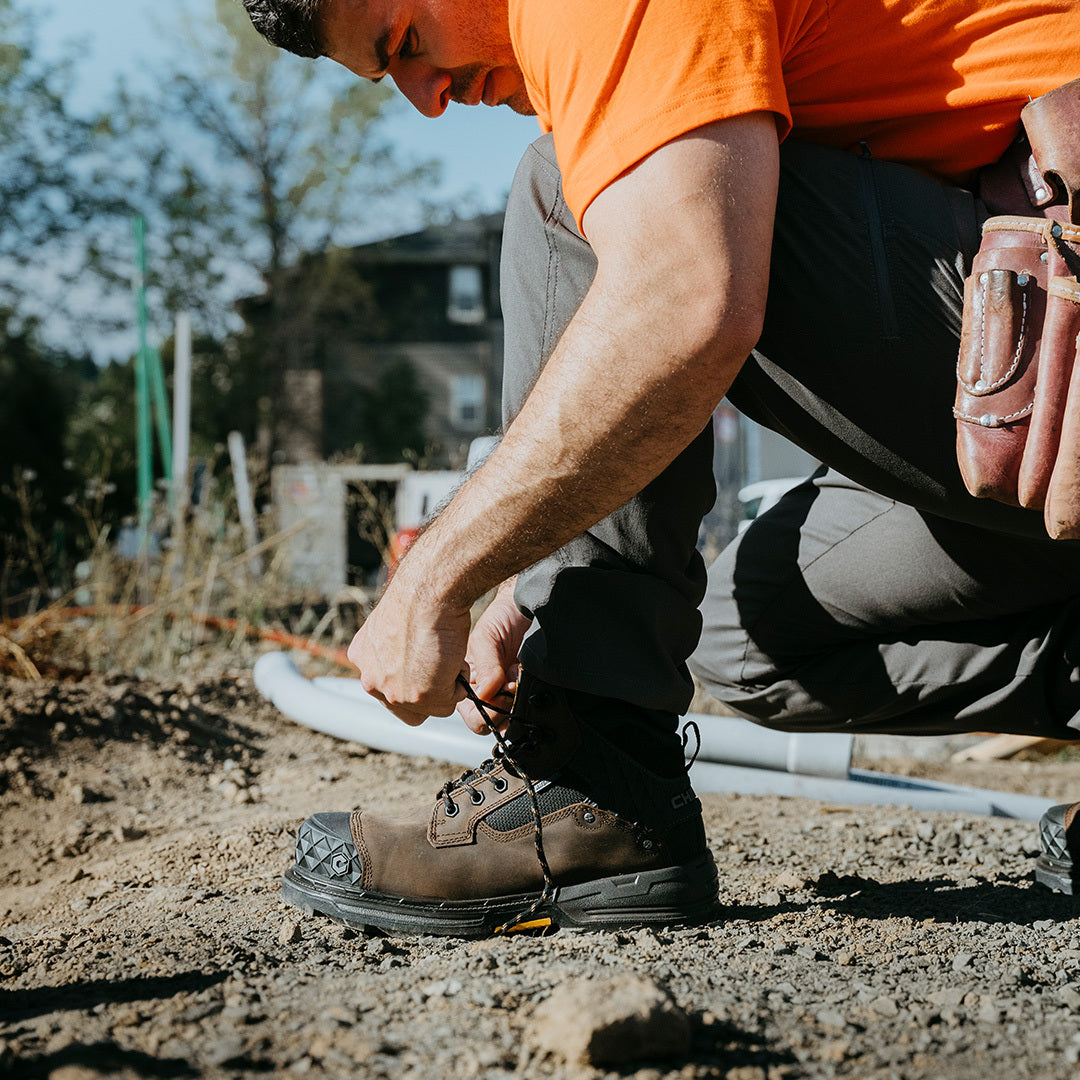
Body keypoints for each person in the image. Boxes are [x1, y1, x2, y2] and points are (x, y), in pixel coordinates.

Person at [241, 0, 1080, 934]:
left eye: (406, 44)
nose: (426, 98)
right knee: (753, 637)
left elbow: (683, 302)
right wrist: (540, 567)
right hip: (1041, 404)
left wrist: (432, 580)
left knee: (573, 191)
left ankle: (593, 783)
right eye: (386, 75)